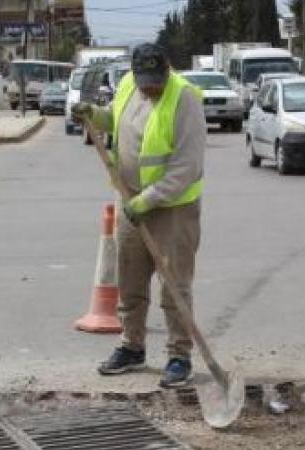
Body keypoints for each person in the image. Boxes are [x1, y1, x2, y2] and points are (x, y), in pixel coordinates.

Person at [72, 43, 207, 389]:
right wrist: (93, 114)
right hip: (130, 199)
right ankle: (132, 346)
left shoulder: (185, 99)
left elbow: (185, 168)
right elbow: (116, 119)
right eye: (144, 80)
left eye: (156, 80)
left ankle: (179, 355)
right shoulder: (129, 85)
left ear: (168, 69)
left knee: (174, 285)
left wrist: (146, 201)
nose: (150, 87)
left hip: (172, 208)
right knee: (130, 281)